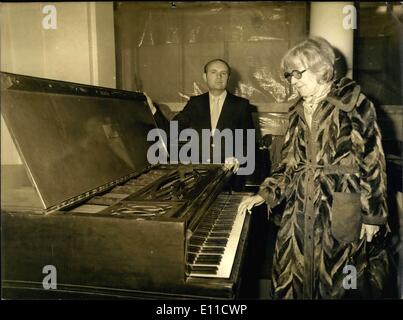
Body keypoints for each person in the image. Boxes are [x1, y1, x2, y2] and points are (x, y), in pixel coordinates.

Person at [238, 37, 390, 299]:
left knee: (339, 283)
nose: (292, 80)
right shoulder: (296, 111)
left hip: (340, 207)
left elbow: (372, 162)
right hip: (298, 210)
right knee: (291, 279)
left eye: (298, 72)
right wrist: (265, 193)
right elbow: (288, 163)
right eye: (288, 74)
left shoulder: (355, 104)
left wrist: (372, 216)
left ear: (321, 68)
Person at [146, 58, 255, 184]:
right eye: (213, 72)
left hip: (230, 178)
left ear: (228, 78)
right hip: (199, 178)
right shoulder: (195, 103)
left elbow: (249, 141)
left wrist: (238, 159)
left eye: (223, 73)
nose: (219, 76)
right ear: (205, 77)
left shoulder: (241, 105)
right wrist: (152, 109)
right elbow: (170, 131)